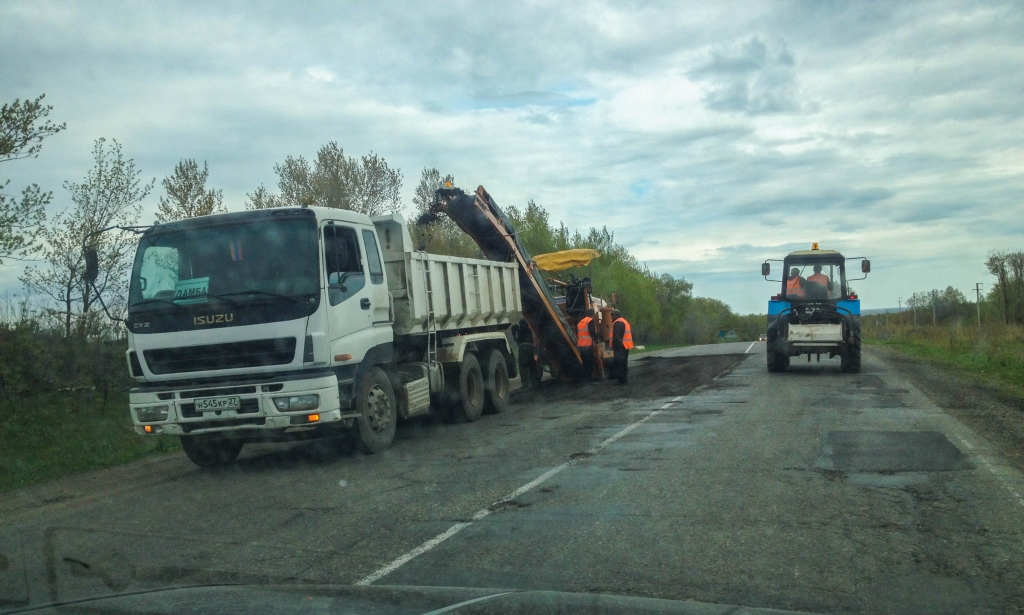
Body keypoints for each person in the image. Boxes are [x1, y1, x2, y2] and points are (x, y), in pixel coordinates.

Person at [611, 309, 633, 384]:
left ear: (616, 315)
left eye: (612, 315)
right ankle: (624, 379)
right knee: (623, 363)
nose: (611, 317)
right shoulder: (624, 321)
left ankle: (621, 380)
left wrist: (615, 346)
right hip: (625, 345)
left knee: (619, 362)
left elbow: (616, 336)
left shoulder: (618, 323)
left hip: (620, 346)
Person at [576, 309, 597, 383]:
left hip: (581, 346)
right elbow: (592, 332)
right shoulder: (590, 321)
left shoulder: (580, 323)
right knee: (590, 363)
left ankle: (585, 380)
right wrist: (596, 341)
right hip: (588, 345)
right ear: (593, 314)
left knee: (585, 364)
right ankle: (589, 380)